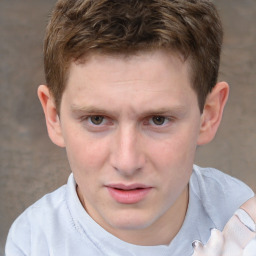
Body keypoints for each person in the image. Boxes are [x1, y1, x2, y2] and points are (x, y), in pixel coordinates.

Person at [5, 0, 255, 255]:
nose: (127, 162)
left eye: (158, 119)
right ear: (54, 116)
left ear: (208, 115)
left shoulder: (238, 217)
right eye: (97, 119)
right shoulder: (34, 242)